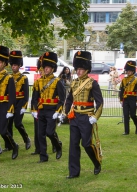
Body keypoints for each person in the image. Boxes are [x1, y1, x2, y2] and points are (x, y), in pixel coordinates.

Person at [63, 51, 103, 179]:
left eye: (81, 69)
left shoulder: (92, 83)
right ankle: (74, 172)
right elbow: (69, 100)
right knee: (73, 145)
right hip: (75, 117)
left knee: (86, 144)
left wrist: (95, 116)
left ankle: (97, 163)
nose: (79, 71)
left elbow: (100, 102)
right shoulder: (74, 83)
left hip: (86, 117)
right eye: (77, 69)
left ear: (86, 70)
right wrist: (65, 113)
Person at [31, 51, 64, 163]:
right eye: (45, 67)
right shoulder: (38, 82)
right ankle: (43, 156)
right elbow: (35, 97)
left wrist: (58, 111)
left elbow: (62, 99)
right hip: (41, 110)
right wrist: (34, 109)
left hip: (52, 111)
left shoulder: (57, 81)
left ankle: (58, 146)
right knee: (40, 134)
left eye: (49, 67)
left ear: (53, 68)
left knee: (50, 132)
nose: (46, 69)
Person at [5, 50, 31, 151]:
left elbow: (26, 94)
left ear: (19, 66)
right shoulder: (8, 77)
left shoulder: (23, 78)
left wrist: (24, 107)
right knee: (8, 124)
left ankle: (26, 139)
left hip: (20, 103)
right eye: (12, 65)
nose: (13, 67)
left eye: (15, 65)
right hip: (11, 103)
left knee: (17, 123)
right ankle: (9, 145)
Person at [119, 61, 137, 135]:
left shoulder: (136, 80)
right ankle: (126, 131)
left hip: (133, 99)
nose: (128, 72)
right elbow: (121, 90)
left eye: (130, 71)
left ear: (133, 71)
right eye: (127, 71)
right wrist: (121, 99)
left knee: (132, 114)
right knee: (125, 115)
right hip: (125, 99)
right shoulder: (124, 80)